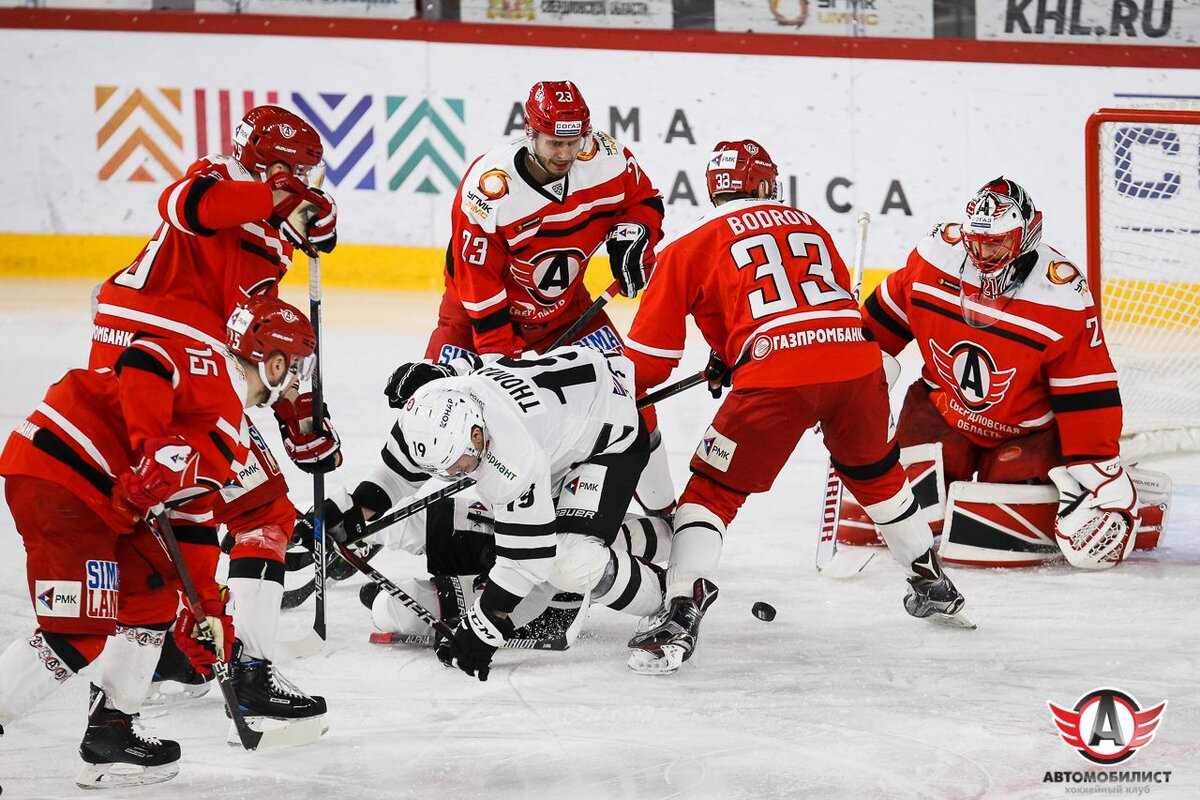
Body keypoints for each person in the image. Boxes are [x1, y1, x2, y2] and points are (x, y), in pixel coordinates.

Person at [621, 139, 971, 675]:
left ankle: (680, 614)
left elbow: (648, 360)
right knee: (877, 474)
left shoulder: (688, 246)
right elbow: (807, 302)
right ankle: (933, 583)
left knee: (710, 494)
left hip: (776, 376)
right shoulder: (808, 224)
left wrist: (619, 395)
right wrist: (730, 354)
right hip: (857, 362)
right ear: (765, 185)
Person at [88, 104, 339, 724]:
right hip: (167, 367)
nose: (302, 184)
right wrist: (277, 201)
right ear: (259, 159)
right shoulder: (218, 180)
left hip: (170, 370)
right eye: (290, 170)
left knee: (192, 505)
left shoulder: (265, 238)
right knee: (263, 511)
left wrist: (300, 420)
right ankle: (251, 669)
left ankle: (179, 650)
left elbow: (263, 340)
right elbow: (187, 204)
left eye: (308, 173)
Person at [0, 297, 315, 788]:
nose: (298, 382)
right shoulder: (208, 363)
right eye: (296, 369)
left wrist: (204, 607)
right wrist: (153, 445)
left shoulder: (231, 436)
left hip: (107, 499)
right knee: (76, 633)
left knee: (151, 593)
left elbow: (190, 517)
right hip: (62, 474)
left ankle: (112, 732)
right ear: (274, 363)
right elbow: (143, 361)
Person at [321, 346, 669, 681]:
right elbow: (396, 473)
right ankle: (655, 537)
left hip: (610, 436)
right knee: (525, 531)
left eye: (460, 465)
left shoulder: (510, 455)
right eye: (446, 471)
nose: (457, 474)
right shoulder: (432, 408)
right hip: (563, 418)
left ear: (477, 435)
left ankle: (669, 596)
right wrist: (353, 511)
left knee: (569, 559)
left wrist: (483, 630)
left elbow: (527, 560)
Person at [425, 79, 676, 517]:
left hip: (565, 312)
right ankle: (373, 516)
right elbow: (478, 285)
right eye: (554, 143)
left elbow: (646, 200)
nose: (565, 154)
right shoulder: (489, 190)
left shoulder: (607, 159)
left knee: (629, 395)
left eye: (573, 142)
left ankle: (665, 514)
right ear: (531, 133)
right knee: (439, 412)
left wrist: (637, 231)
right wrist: (497, 365)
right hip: (474, 319)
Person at [861, 177, 1138, 570]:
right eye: (976, 241)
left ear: (1027, 235)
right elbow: (880, 321)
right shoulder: (935, 258)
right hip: (942, 411)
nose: (982, 254)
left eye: (996, 243)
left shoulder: (1060, 294)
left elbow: (1085, 387)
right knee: (904, 510)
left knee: (996, 527)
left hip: (1025, 431)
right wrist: (847, 383)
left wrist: (1098, 466)